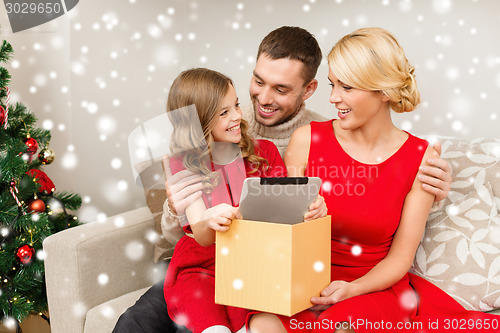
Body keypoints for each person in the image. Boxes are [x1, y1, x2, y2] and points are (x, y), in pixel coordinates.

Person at [113, 26, 452, 333]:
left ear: (308, 90)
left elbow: (285, 216)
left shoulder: (308, 134)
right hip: (209, 261)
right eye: (258, 82)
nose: (262, 98)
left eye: (281, 88)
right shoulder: (221, 117)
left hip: (272, 265)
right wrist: (176, 210)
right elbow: (192, 224)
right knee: (138, 322)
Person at [248, 27, 499, 333]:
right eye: (332, 84)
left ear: (383, 91)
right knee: (261, 324)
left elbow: (400, 258)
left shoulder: (421, 159)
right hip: (302, 284)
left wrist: (352, 290)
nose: (333, 97)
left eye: (347, 87)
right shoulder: (307, 140)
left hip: (371, 289)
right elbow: (284, 231)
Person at [161, 68, 326, 333]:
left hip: (254, 262)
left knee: (250, 324)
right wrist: (210, 220)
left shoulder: (265, 153)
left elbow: (287, 215)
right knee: (213, 328)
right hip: (201, 267)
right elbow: (202, 236)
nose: (238, 115)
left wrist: (313, 208)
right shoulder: (183, 164)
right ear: (198, 123)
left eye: (236, 105)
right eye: (224, 113)